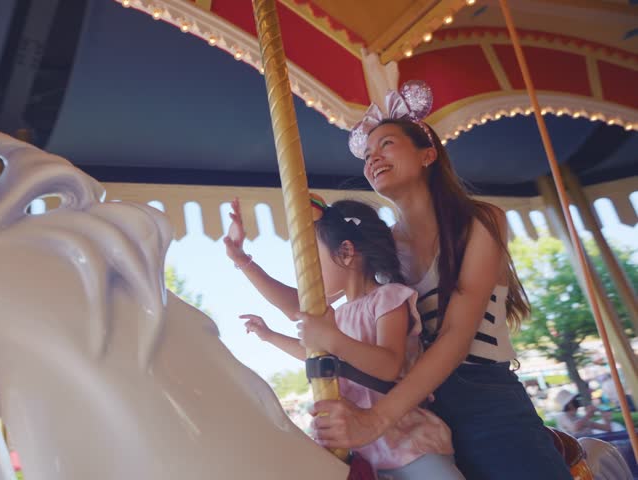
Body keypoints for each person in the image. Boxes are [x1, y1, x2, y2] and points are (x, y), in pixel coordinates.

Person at [307, 81, 573, 479]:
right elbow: (320, 297)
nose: (372, 158)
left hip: (480, 393)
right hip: (415, 408)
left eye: (386, 145)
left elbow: (455, 335)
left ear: (427, 153)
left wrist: (376, 419)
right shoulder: (383, 247)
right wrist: (247, 261)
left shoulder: (480, 222)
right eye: (367, 154)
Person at [227, 196, 463, 479]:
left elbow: (389, 365)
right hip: (353, 443)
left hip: (404, 440)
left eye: (313, 259)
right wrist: (270, 334)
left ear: (347, 252)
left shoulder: (388, 298)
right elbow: (314, 351)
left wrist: (332, 338)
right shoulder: (335, 316)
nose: (307, 272)